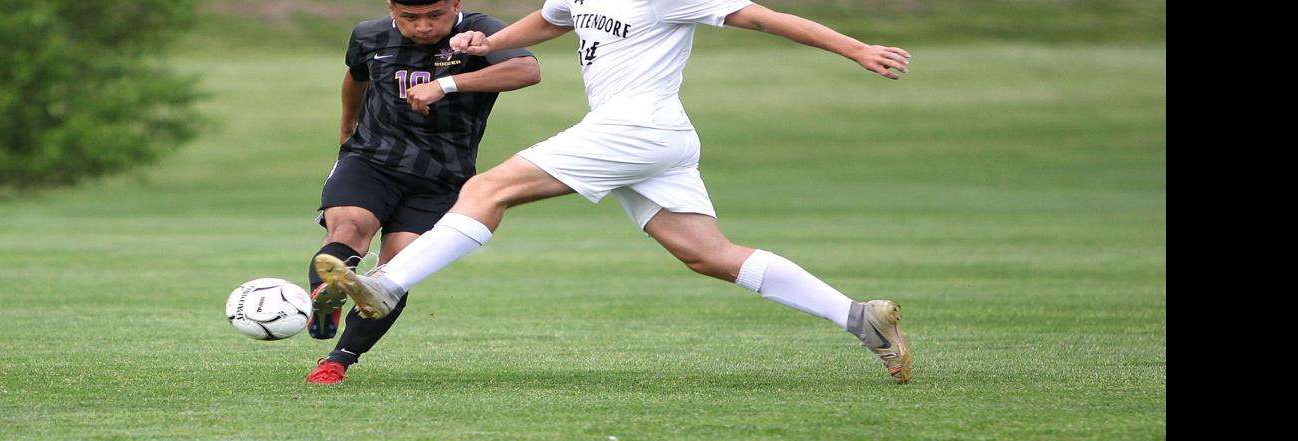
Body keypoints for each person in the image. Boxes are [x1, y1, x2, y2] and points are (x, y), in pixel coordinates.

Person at [316, 0, 913, 383]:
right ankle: (860, 318)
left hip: (636, 128)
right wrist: (487, 45)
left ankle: (387, 283)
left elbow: (763, 18)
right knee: (707, 253)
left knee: (486, 189)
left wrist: (856, 47)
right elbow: (551, 21)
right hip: (657, 138)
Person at [303, 0, 542, 384]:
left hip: (440, 175)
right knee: (348, 229)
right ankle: (325, 301)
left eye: (435, 16)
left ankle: (339, 359)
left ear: (455, 5)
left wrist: (446, 84)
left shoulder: (480, 32)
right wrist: (347, 127)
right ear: (391, 8)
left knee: (395, 272)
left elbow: (527, 70)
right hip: (370, 159)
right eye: (410, 18)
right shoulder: (370, 34)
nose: (424, 27)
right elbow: (355, 76)